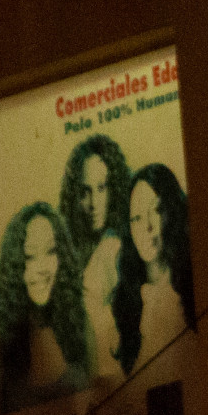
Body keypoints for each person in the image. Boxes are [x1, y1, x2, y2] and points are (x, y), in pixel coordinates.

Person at [0, 202, 93, 412]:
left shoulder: (79, 322)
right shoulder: (0, 339)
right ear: (15, 264)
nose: (42, 268)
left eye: (51, 251)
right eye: (30, 256)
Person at [111, 164, 195, 375]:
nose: (147, 226)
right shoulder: (126, 302)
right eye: (136, 218)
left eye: (156, 210)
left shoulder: (191, 287)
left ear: (172, 212)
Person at [59, 135, 130, 377]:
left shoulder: (115, 248)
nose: (94, 203)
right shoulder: (75, 252)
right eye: (85, 192)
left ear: (115, 188)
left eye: (102, 188)